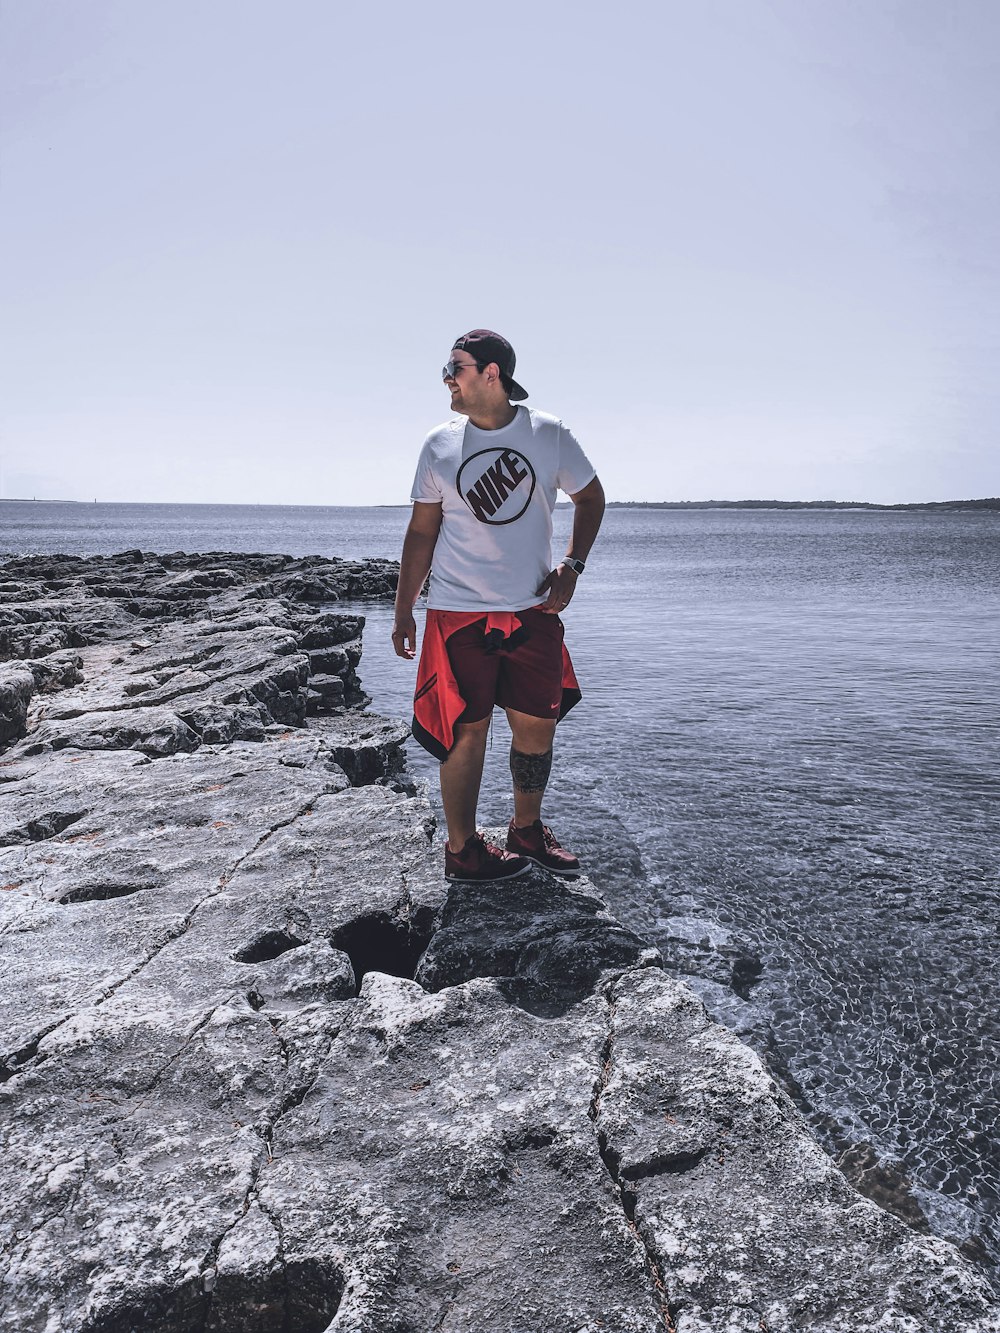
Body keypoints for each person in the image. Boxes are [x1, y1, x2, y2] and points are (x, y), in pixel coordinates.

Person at [391, 329, 605, 883]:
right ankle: (462, 850)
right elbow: (421, 533)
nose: (446, 378)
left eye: (455, 367)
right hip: (458, 612)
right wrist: (403, 610)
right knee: (466, 729)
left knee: (537, 726)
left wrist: (573, 565)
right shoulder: (439, 443)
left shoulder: (549, 434)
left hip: (535, 611)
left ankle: (525, 830)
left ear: (492, 373)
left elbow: (590, 497)